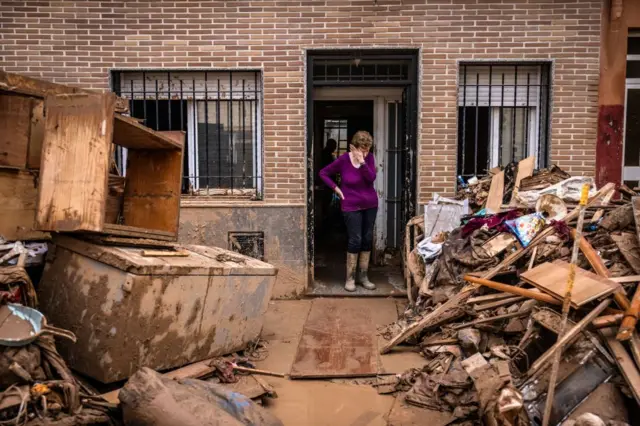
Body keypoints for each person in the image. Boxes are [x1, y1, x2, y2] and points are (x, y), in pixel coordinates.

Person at [319, 130, 377, 292]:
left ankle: (363, 276)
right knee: (355, 239)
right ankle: (350, 278)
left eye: (368, 149)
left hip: (370, 204)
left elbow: (371, 178)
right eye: (362, 149)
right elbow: (323, 173)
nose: (365, 153)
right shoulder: (344, 160)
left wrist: (363, 163)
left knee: (366, 238)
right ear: (355, 147)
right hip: (351, 206)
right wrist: (336, 189)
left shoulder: (369, 159)